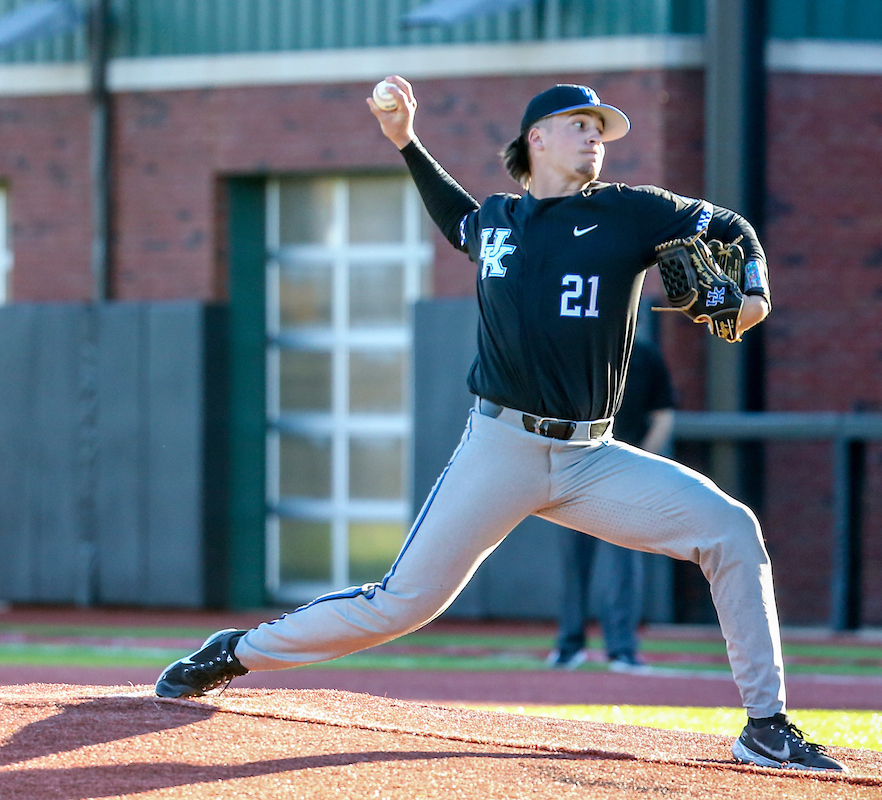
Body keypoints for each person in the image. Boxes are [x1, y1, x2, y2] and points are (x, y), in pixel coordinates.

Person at [155, 78, 845, 773]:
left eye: (600, 127)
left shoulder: (633, 213)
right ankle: (235, 652)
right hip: (501, 449)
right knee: (400, 606)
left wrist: (753, 292)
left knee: (731, 530)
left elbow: (734, 229)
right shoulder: (496, 223)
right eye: (580, 123)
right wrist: (406, 143)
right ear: (536, 138)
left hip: (592, 459)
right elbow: (455, 216)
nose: (596, 135)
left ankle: (765, 724)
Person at [546, 336, 675, 672]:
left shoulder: (645, 355)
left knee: (624, 564)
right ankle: (569, 645)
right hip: (578, 469)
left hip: (625, 475)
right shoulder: (577, 351)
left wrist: (642, 461)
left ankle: (622, 649)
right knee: (574, 561)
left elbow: (663, 416)